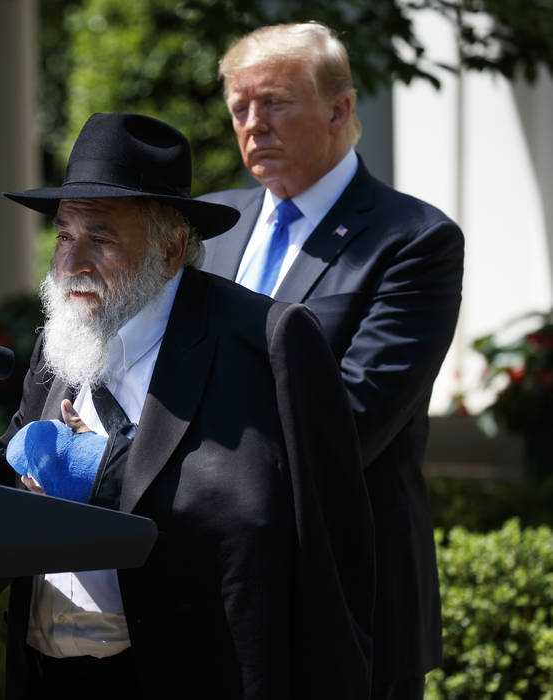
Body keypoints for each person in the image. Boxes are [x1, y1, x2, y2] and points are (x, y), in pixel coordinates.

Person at [0, 112, 375, 699]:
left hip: (192, 675)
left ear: (173, 247)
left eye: (100, 238)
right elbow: (26, 499)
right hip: (51, 673)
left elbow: (320, 545)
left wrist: (101, 469)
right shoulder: (64, 335)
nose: (72, 262)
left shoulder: (267, 340)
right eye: (64, 235)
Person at [197, 22, 465, 700]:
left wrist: (186, 448)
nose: (254, 124)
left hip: (347, 598)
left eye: (276, 102)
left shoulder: (413, 238)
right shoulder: (205, 228)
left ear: (340, 110)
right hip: (208, 592)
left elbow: (356, 415)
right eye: (239, 108)